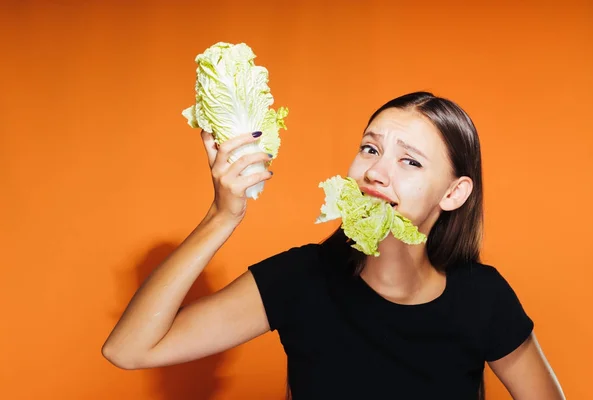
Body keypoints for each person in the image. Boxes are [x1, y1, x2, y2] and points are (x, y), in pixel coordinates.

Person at [102, 92, 565, 399]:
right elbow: (129, 350)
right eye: (370, 149)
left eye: (410, 161)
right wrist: (224, 214)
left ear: (453, 194)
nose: (376, 173)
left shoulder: (482, 297)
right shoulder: (300, 280)